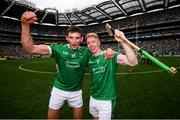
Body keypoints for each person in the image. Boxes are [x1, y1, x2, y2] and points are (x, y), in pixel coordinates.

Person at [20, 11, 114, 119]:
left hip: (76, 92)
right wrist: (25, 25)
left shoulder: (86, 52)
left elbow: (99, 52)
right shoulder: (59, 49)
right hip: (58, 90)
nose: (74, 41)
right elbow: (30, 48)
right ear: (66, 38)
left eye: (77, 38)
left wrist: (109, 50)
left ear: (81, 39)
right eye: (71, 37)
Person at [85, 31, 138, 120]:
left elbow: (133, 62)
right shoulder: (89, 59)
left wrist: (122, 41)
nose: (91, 45)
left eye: (93, 41)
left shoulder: (110, 55)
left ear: (99, 42)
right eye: (88, 43)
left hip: (106, 99)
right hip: (93, 97)